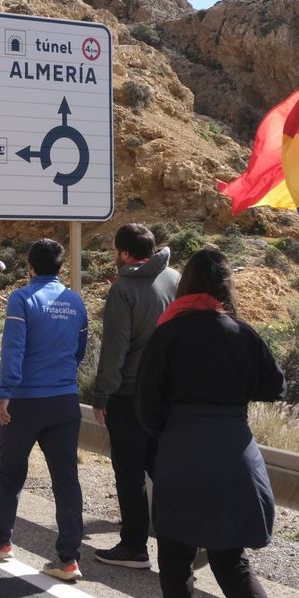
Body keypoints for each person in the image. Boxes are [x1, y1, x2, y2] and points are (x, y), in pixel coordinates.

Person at [137, 247, 285, 598]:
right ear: (226, 287)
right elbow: (275, 386)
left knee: (175, 561)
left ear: (185, 284)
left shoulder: (167, 334)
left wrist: (171, 432)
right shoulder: (241, 333)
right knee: (231, 562)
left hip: (181, 454)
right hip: (235, 453)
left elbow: (145, 407)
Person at [0, 238, 88, 582]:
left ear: (29, 266)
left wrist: (4, 394)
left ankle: (0, 541)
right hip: (65, 400)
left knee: (11, 473)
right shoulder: (75, 301)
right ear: (60, 267)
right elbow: (80, 350)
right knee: (66, 479)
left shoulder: (21, 298)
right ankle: (68, 559)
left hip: (26, 400)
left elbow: (14, 349)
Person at [90, 222, 180, 569]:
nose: (115, 257)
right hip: (169, 393)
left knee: (129, 472)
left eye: (116, 251)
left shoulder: (123, 289)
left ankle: (134, 546)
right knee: (164, 467)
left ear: (125, 253)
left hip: (129, 395)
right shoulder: (174, 278)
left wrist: (102, 395)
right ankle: (191, 534)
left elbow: (115, 350)